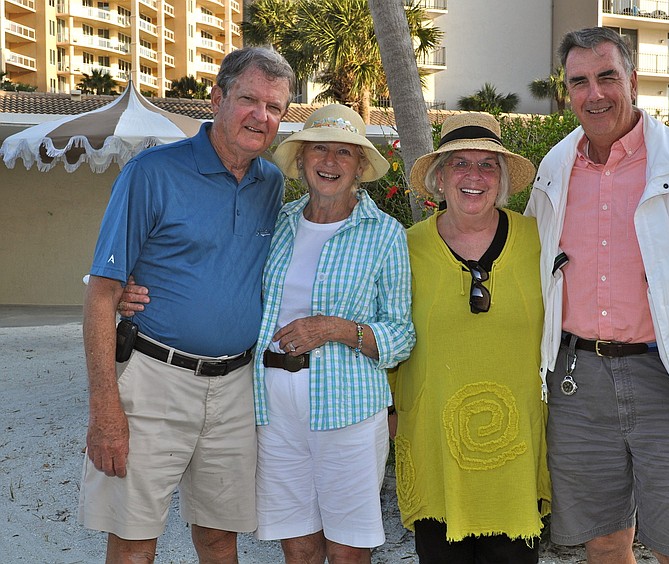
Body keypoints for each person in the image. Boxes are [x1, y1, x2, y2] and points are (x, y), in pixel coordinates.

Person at [524, 27, 669, 564]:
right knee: (605, 541)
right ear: (567, 92)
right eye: (579, 81)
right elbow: (539, 270)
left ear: (632, 80)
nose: (595, 93)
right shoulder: (554, 169)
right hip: (577, 382)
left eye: (607, 76)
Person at [79, 47, 294, 563]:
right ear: (216, 98)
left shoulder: (272, 184)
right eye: (248, 99)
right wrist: (105, 410)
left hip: (236, 389)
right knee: (133, 540)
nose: (261, 117)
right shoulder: (152, 173)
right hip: (153, 380)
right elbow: (101, 293)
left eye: (275, 107)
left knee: (220, 538)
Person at [256, 103, 415, 563]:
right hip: (273, 409)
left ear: (361, 166)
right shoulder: (279, 224)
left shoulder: (385, 234)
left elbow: (401, 335)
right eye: (319, 149)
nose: (330, 161)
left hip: (348, 410)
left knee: (348, 548)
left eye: (344, 152)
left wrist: (335, 329)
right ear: (302, 159)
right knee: (298, 546)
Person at [390, 112, 550, 563]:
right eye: (460, 164)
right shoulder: (405, 248)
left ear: (501, 180)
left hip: (517, 453)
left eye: (487, 165)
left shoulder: (539, 241)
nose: (474, 176)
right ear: (439, 179)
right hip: (433, 446)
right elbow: (387, 336)